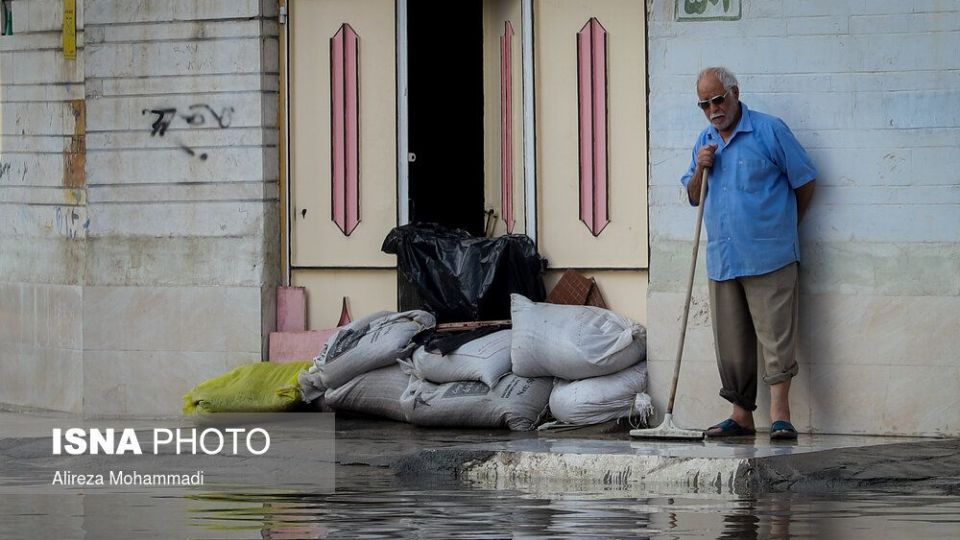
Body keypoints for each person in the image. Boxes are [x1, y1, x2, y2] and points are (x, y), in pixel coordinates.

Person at [681, 67, 817, 440]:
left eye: (719, 99)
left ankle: (780, 415)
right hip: (724, 260)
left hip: (770, 255)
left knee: (777, 337)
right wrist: (701, 169)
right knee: (732, 342)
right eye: (705, 104)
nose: (713, 109)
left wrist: (784, 228)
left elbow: (805, 182)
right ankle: (741, 415)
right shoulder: (704, 141)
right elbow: (694, 195)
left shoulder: (770, 130)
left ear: (735, 93)